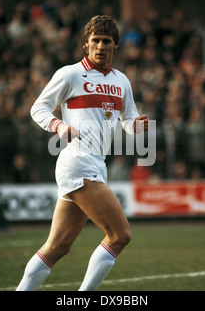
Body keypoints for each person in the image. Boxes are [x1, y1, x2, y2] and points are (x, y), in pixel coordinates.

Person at [16, 15, 149, 291]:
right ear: (86, 45)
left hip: (95, 163)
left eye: (107, 41)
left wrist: (136, 126)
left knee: (58, 246)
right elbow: (38, 108)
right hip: (77, 160)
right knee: (120, 235)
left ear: (115, 47)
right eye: (95, 41)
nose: (101, 46)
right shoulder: (70, 74)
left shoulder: (122, 81)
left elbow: (128, 119)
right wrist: (58, 125)